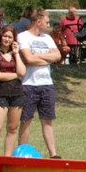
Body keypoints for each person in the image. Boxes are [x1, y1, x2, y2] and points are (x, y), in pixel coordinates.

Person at [17, 8, 64, 158]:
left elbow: (57, 56)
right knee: (26, 120)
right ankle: (21, 153)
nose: (49, 25)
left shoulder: (47, 38)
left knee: (47, 120)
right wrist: (45, 57)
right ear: (38, 22)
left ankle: (54, 155)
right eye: (47, 22)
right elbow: (28, 59)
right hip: (28, 84)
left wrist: (37, 56)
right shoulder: (23, 37)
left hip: (46, 84)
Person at [0, 25, 26, 168]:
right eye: (5, 36)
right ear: (0, 37)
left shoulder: (15, 54)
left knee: (13, 128)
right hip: (0, 94)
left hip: (17, 94)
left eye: (10, 37)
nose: (7, 39)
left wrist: (16, 53)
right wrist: (15, 75)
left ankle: (7, 159)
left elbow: (22, 70)